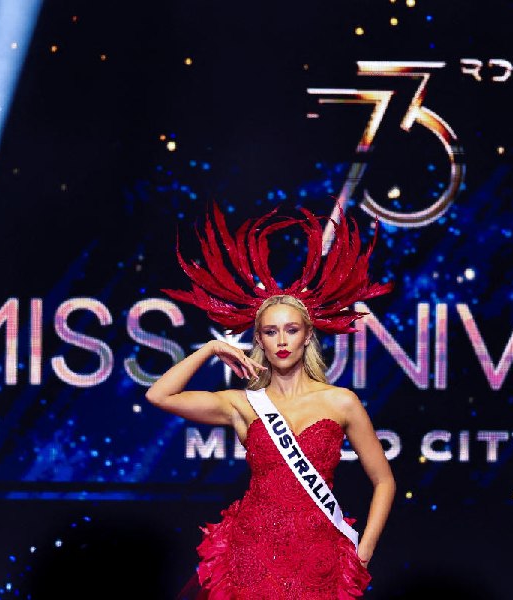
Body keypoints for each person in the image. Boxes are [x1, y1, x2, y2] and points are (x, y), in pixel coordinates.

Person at [146, 204, 396, 599]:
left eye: (291, 330)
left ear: (307, 335)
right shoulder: (243, 404)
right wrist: (211, 348)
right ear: (258, 340)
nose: (281, 341)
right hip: (251, 553)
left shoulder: (341, 402)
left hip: (321, 555)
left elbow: (384, 480)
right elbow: (159, 395)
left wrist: (364, 550)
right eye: (270, 332)